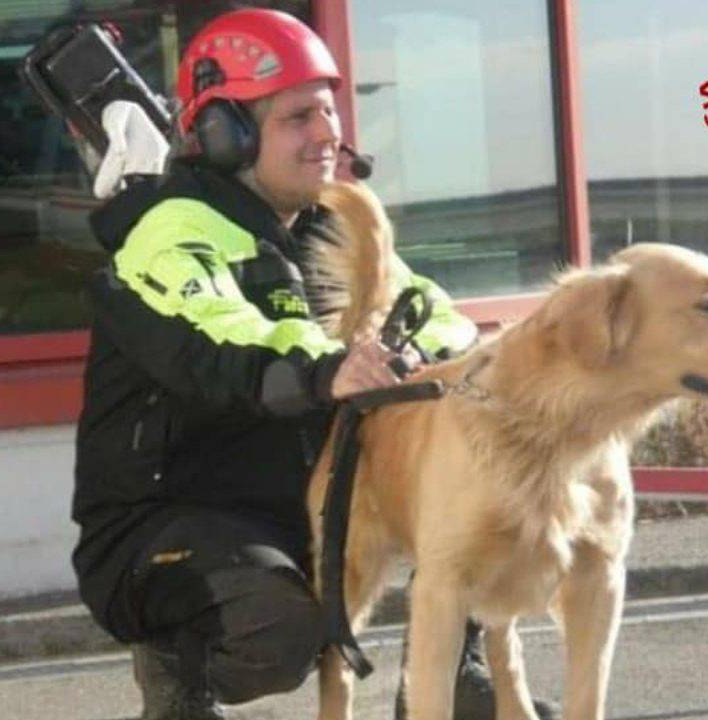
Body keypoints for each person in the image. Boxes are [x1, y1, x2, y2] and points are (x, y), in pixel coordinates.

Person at [69, 9, 557, 720]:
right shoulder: (169, 233)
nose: (328, 134)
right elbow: (222, 339)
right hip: (167, 526)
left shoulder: (331, 226)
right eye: (299, 118)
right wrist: (329, 370)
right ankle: (176, 678)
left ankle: (446, 686)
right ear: (224, 133)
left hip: (304, 511)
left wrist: (462, 361)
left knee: (485, 486)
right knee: (281, 631)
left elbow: (431, 312)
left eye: (329, 112)